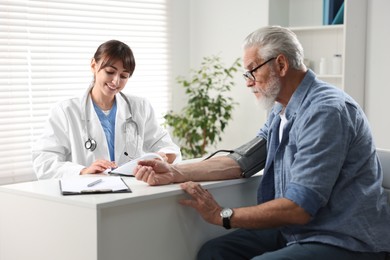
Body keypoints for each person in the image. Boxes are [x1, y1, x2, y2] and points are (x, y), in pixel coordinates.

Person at [133, 26, 390, 260]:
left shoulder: (325, 111)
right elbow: (243, 160)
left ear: (280, 64)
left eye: (252, 70)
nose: (247, 81)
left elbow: (299, 207)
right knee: (214, 253)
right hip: (299, 231)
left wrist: (223, 215)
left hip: (344, 238)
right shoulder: (281, 110)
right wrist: (174, 172)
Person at [33, 40, 181, 179]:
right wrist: (82, 171)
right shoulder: (66, 110)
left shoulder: (140, 107)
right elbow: (44, 161)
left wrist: (162, 156)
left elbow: (168, 147)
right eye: (110, 72)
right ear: (93, 65)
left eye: (123, 76)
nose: (116, 81)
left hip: (133, 190)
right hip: (89, 193)